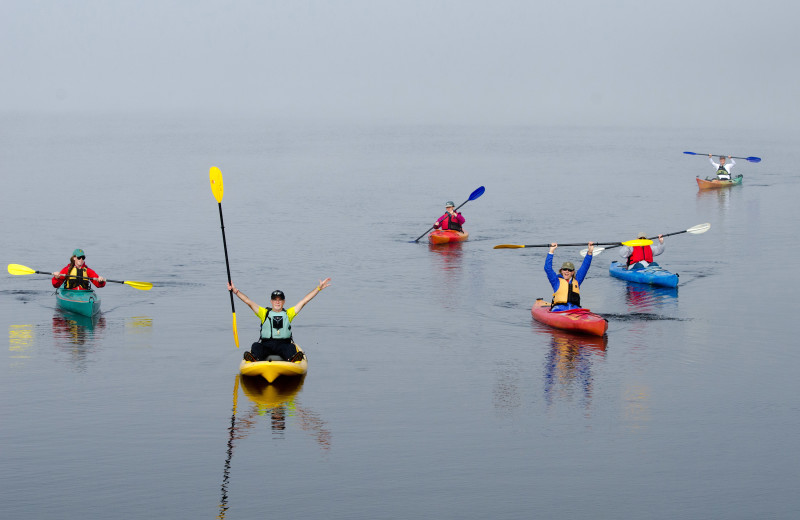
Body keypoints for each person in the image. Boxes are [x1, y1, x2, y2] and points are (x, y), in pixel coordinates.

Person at [228, 278, 331, 362]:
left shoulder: (289, 313)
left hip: (284, 345)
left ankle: (293, 359)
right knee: (255, 346)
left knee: (291, 348)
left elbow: (305, 301)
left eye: (280, 300)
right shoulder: (264, 313)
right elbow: (248, 301)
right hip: (266, 344)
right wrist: (235, 291)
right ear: (271, 301)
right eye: (275, 300)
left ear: (284, 302)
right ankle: (254, 358)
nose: (277, 302)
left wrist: (318, 288)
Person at [544, 242, 594, 311]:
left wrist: (589, 252)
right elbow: (548, 268)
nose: (567, 271)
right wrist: (551, 251)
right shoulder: (556, 281)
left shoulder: (577, 280)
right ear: (561, 271)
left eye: (569, 270)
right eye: (564, 269)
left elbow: (585, 267)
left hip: (575, 309)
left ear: (573, 272)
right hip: (559, 309)